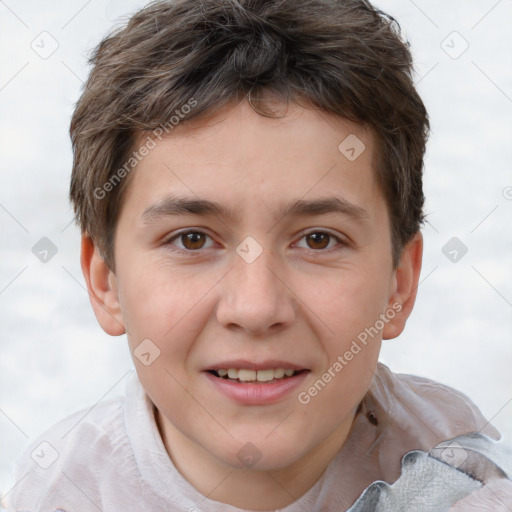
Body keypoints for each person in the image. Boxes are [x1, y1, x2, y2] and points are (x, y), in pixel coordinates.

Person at [4, 0, 512, 510]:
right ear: (105, 282)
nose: (256, 308)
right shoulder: (59, 494)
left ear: (399, 284)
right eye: (192, 239)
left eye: (318, 239)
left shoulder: (461, 482)